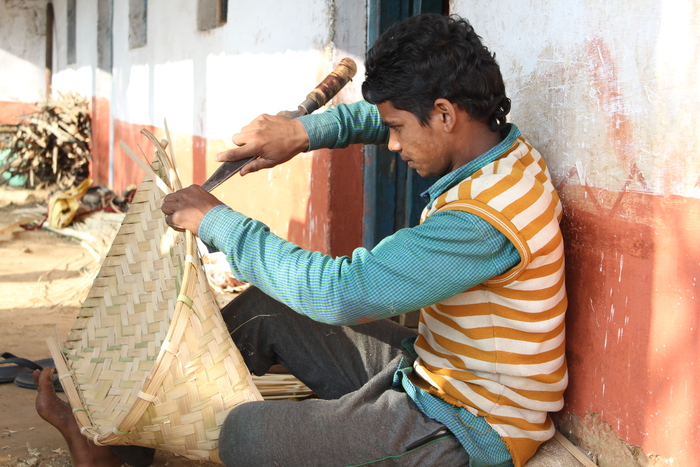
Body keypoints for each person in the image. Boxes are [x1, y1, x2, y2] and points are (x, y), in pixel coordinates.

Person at [34, 13, 567, 467]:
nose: (392, 142)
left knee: (245, 434)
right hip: (431, 369)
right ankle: (118, 448)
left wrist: (218, 222)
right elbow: (376, 118)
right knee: (265, 308)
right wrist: (300, 134)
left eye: (399, 129)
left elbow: (342, 292)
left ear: (446, 114)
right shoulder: (498, 152)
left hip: (463, 428)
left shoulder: (484, 218)